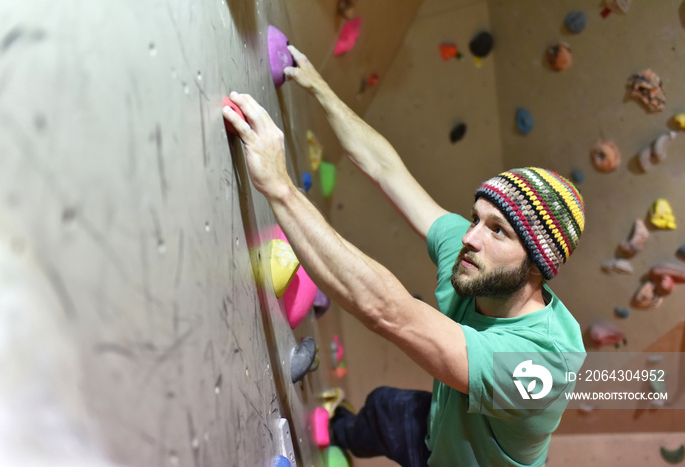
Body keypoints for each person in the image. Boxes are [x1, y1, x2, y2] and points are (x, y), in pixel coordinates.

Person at [222, 45, 586, 467]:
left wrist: (279, 187)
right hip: (439, 428)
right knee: (382, 409)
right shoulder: (475, 258)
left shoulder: (540, 367)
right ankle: (337, 434)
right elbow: (386, 170)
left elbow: (388, 312)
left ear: (537, 269)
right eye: (476, 218)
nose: (470, 237)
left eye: (498, 231)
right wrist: (319, 88)